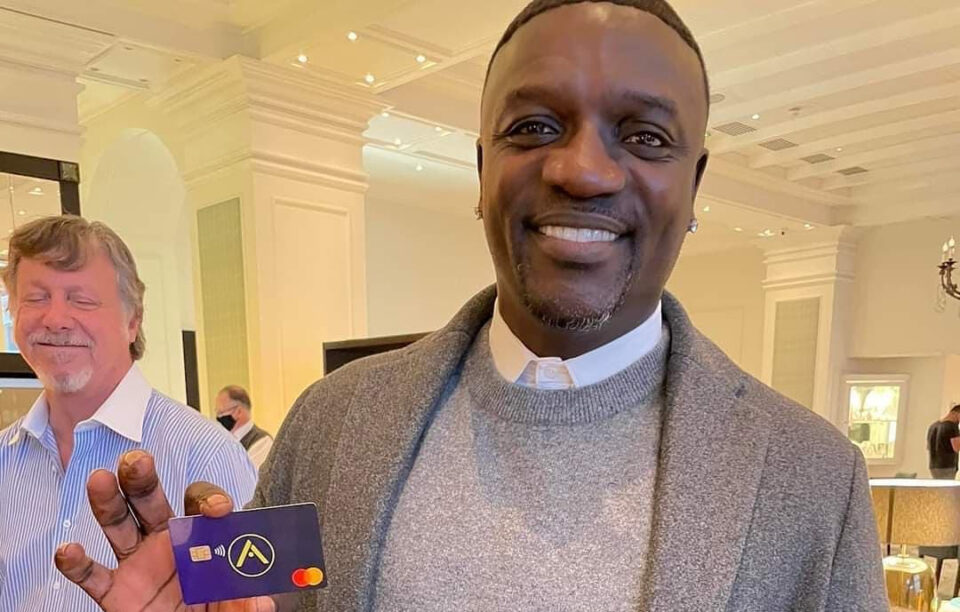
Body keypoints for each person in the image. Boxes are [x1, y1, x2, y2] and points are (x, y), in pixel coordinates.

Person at [55, 1, 887, 610]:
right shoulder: (333, 422)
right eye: (535, 127)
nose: (583, 170)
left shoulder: (812, 478)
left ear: (693, 185)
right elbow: (250, 602)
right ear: (482, 169)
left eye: (645, 137)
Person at [0, 216, 258, 612]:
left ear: (132, 320)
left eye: (81, 300)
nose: (55, 319)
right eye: (35, 298)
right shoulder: (5, 459)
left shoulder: (205, 455)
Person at [215, 384, 273, 471]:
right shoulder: (222, 441)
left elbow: (248, 475)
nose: (218, 417)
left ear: (239, 412)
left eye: (221, 412)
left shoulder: (262, 442)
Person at [927, 404, 960, 479]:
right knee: (947, 486)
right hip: (947, 466)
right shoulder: (952, 426)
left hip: (933, 466)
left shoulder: (933, 426)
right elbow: (956, 447)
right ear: (957, 414)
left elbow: (929, 447)